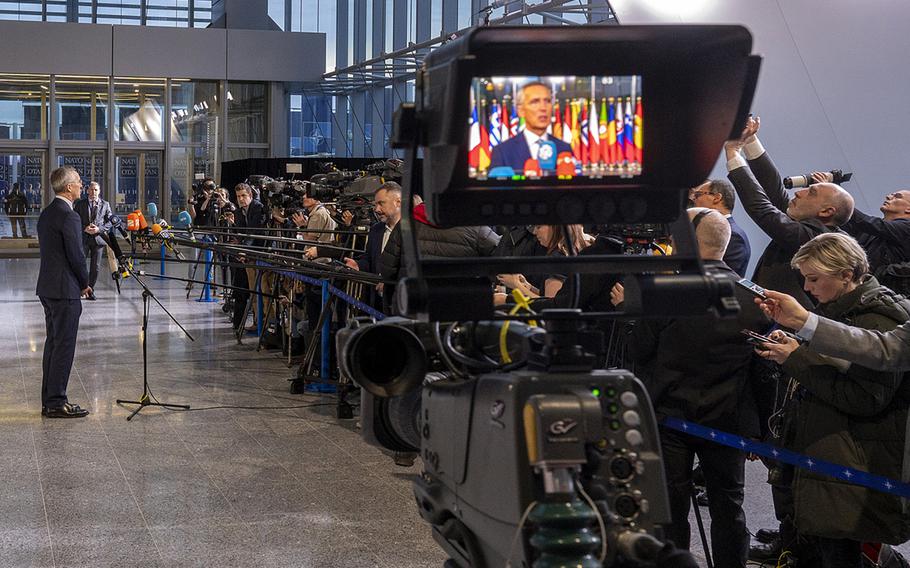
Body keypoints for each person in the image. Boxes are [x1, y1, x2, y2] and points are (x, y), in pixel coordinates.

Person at [610, 208, 767, 567]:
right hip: (728, 419)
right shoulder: (756, 299)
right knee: (730, 506)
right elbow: (763, 371)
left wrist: (627, 311)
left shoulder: (662, 293)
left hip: (669, 417)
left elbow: (639, 350)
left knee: (670, 508)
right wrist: (760, 431)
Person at [754, 233, 910, 565]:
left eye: (813, 279)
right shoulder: (840, 311)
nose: (807, 288)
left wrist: (796, 357)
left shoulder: (879, 318)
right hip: (826, 458)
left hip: (850, 468)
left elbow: (865, 398)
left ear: (846, 273)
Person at [36, 166, 92, 418]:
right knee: (64, 346)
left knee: (53, 344)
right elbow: (76, 256)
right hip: (64, 289)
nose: (82, 185)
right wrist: (85, 283)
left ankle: (49, 399)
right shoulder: (69, 216)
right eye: (79, 182)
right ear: (68, 187)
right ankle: (57, 401)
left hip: (48, 287)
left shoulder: (47, 213)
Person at [380, 202, 500, 315]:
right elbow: (502, 260)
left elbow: (388, 270)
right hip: (457, 309)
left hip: (412, 305)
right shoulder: (476, 228)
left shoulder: (405, 224)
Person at [489, 82, 573, 172]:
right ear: (521, 111)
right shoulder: (503, 151)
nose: (543, 108)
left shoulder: (564, 148)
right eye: (535, 102)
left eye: (547, 101)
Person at [342, 182, 402, 309]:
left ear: (399, 202)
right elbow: (369, 259)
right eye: (375, 204)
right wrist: (358, 265)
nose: (376, 209)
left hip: (402, 302)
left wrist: (390, 283)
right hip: (377, 302)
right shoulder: (376, 229)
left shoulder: (413, 231)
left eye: (381, 203)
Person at [496, 224, 588, 301]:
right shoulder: (568, 251)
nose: (535, 232)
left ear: (555, 227)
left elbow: (550, 304)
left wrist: (516, 285)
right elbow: (555, 296)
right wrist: (528, 286)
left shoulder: (556, 259)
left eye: (539, 227)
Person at [842, 188, 910, 291]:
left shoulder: (907, 228)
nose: (888, 197)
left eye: (897, 196)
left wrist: (835, 198)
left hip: (867, 293)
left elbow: (866, 222)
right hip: (848, 282)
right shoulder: (872, 231)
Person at [689, 179, 751, 276]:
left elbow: (724, 276)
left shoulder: (735, 236)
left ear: (716, 198)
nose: (693, 200)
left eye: (698, 195)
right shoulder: (705, 228)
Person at [229, 183, 267, 331]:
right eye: (238, 196)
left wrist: (244, 250)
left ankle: (262, 324)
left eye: (244, 195)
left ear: (250, 196)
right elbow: (240, 233)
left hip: (259, 253)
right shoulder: (238, 213)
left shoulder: (258, 207)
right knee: (242, 290)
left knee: (261, 291)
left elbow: (252, 232)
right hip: (245, 256)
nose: (241, 199)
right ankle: (238, 324)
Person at [74, 181, 112, 299]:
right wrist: (84, 228)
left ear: (99, 191)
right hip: (84, 238)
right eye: (91, 189)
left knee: (95, 267)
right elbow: (74, 220)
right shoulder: (80, 204)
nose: (93, 192)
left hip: (98, 240)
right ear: (87, 191)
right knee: (80, 265)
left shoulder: (105, 204)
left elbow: (110, 222)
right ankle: (81, 289)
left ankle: (90, 290)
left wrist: (99, 229)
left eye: (96, 190)